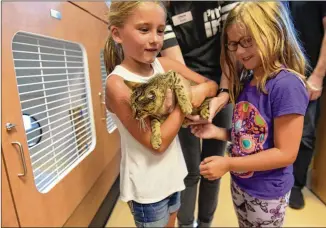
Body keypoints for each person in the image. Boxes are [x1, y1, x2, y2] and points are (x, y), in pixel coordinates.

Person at [190, 2, 309, 227]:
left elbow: (285, 153)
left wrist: (228, 163)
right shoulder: (248, 79)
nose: (240, 52)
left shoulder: (287, 85)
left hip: (267, 194)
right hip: (242, 184)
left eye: (248, 41)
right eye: (234, 44)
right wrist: (217, 132)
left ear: (274, 32)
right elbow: (252, 136)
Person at [104, 2, 218, 227]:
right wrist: (181, 102)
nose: (155, 39)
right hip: (147, 189)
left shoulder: (164, 65)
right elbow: (158, 143)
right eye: (144, 29)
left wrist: (199, 91)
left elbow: (211, 85)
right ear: (117, 33)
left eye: (160, 30)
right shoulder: (117, 85)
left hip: (174, 176)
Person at [160, 2, 238, 226]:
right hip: (187, 88)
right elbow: (177, 65)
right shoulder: (164, 7)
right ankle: (186, 224)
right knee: (190, 170)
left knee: (212, 167)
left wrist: (221, 94)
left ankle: (205, 223)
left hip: (224, 82)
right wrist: (196, 102)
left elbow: (231, 49)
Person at [286, 1, 326, 209]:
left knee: (305, 134)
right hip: (280, 71)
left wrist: (318, 75)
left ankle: (295, 186)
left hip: (308, 75)